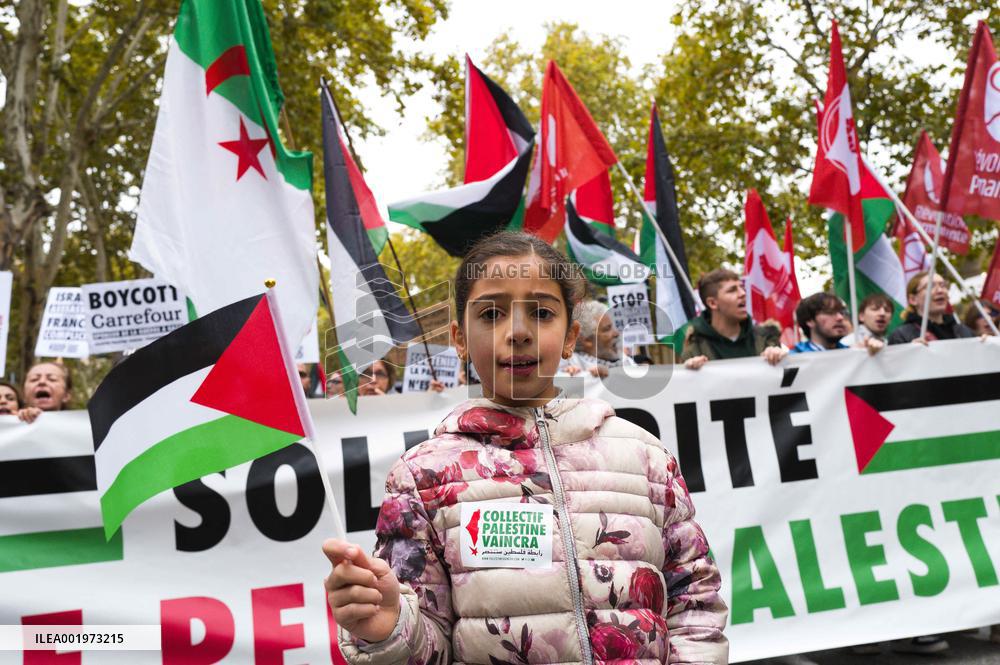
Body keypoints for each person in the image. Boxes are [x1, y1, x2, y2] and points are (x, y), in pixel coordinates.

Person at [323, 231, 728, 664]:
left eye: (541, 313)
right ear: (460, 338)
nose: (518, 332)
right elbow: (430, 647)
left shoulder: (647, 458)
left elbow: (694, 602)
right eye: (492, 313)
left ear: (570, 335)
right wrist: (388, 628)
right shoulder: (420, 478)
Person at [681, 269, 786, 369]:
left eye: (741, 287)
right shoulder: (695, 348)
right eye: (732, 290)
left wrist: (779, 358)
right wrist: (691, 373)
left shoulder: (765, 338)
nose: (743, 293)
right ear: (712, 303)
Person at [888, 272, 974, 344]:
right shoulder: (901, 336)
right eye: (931, 286)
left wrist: (985, 343)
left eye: (943, 285)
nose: (940, 290)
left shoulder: (964, 332)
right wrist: (910, 352)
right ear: (913, 299)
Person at [560, 299, 635, 378]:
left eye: (612, 327)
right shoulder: (570, 367)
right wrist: (583, 376)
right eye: (607, 329)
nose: (616, 334)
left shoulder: (625, 360)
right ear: (587, 340)